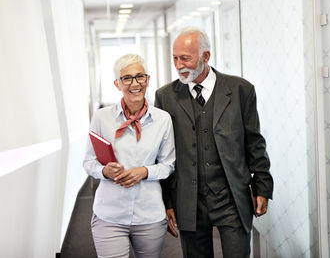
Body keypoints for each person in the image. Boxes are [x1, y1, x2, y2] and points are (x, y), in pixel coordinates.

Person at [155, 27, 274, 258]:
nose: (178, 64)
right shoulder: (165, 96)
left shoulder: (241, 90)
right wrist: (167, 201)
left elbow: (254, 142)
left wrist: (263, 186)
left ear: (205, 56)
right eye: (175, 58)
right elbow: (162, 154)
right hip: (188, 200)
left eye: (185, 58)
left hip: (232, 197)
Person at [83, 53, 175, 258]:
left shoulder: (163, 119)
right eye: (127, 78)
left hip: (149, 215)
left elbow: (168, 165)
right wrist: (104, 171)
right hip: (110, 214)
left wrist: (144, 172)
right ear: (117, 84)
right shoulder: (101, 117)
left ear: (148, 80)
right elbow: (88, 162)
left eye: (140, 76)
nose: (135, 83)